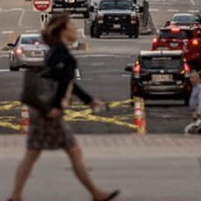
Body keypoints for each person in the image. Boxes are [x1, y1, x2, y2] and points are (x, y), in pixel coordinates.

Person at [8, 13, 119, 201]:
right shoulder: (60, 53)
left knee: (42, 153)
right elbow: (60, 84)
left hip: (46, 111)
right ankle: (95, 193)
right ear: (62, 31)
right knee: (51, 152)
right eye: (72, 26)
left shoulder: (57, 52)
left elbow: (68, 83)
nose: (75, 29)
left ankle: (16, 196)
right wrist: (56, 107)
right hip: (49, 113)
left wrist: (90, 101)